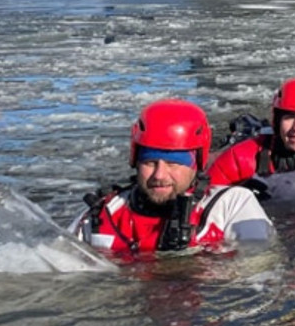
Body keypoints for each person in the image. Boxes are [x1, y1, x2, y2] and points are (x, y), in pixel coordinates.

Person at [74, 99, 274, 256]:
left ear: (196, 163)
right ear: (135, 160)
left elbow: (259, 268)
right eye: (150, 162)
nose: (159, 175)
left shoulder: (231, 205)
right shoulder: (102, 214)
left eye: (174, 163)